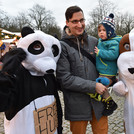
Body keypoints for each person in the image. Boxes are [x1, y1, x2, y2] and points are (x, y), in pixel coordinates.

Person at [56, 6, 108, 134]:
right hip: (76, 105)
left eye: (82, 20)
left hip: (98, 103)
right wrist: (93, 86)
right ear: (67, 22)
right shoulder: (62, 46)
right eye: (75, 21)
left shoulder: (95, 41)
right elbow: (65, 79)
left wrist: (110, 78)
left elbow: (106, 66)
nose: (80, 24)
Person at [93, 13, 122, 116]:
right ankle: (104, 97)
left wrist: (100, 52)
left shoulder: (113, 42)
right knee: (99, 85)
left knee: (101, 84)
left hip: (108, 71)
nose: (101, 33)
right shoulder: (101, 41)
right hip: (102, 71)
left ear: (110, 31)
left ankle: (109, 102)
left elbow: (113, 54)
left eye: (104, 30)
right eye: (99, 30)